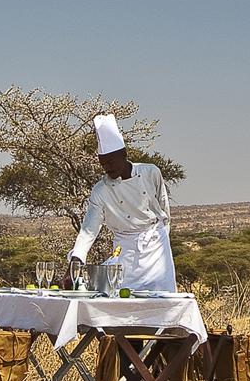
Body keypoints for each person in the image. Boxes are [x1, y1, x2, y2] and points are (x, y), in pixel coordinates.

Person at [68, 113, 177, 292]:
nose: (107, 168)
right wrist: (76, 261)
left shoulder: (151, 172)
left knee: (162, 301)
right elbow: (89, 230)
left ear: (124, 155)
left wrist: (162, 237)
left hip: (157, 248)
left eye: (110, 162)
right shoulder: (101, 190)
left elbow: (164, 210)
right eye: (103, 164)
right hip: (124, 249)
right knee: (124, 299)